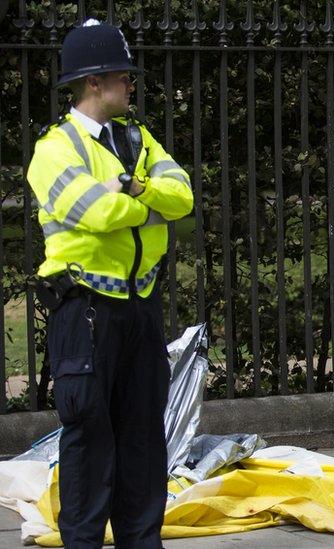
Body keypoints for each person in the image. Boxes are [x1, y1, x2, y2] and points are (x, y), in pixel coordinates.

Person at [26, 19, 193, 547]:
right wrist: (147, 206)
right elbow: (93, 211)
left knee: (143, 439)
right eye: (124, 75)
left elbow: (182, 197)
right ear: (94, 81)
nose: (132, 84)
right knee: (89, 439)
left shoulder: (138, 139)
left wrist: (130, 185)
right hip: (84, 310)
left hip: (139, 307)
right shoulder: (54, 149)